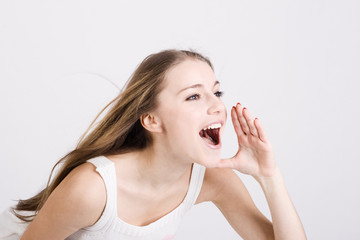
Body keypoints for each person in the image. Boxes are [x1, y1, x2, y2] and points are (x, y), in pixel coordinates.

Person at [0, 49, 306, 240]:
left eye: (217, 93)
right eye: (193, 96)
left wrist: (269, 176)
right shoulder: (92, 189)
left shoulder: (212, 179)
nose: (217, 107)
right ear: (151, 120)